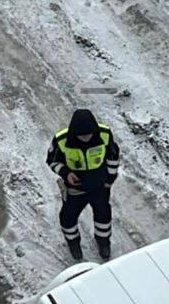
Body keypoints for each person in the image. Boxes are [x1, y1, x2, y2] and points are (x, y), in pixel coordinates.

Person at [46, 109, 120, 261]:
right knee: (67, 218)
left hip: (99, 187)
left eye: (89, 134)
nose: (86, 138)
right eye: (81, 135)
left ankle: (103, 242)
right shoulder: (61, 140)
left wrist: (108, 181)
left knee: (103, 215)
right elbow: (52, 161)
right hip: (75, 189)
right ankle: (73, 243)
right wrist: (66, 173)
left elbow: (113, 157)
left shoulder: (104, 134)